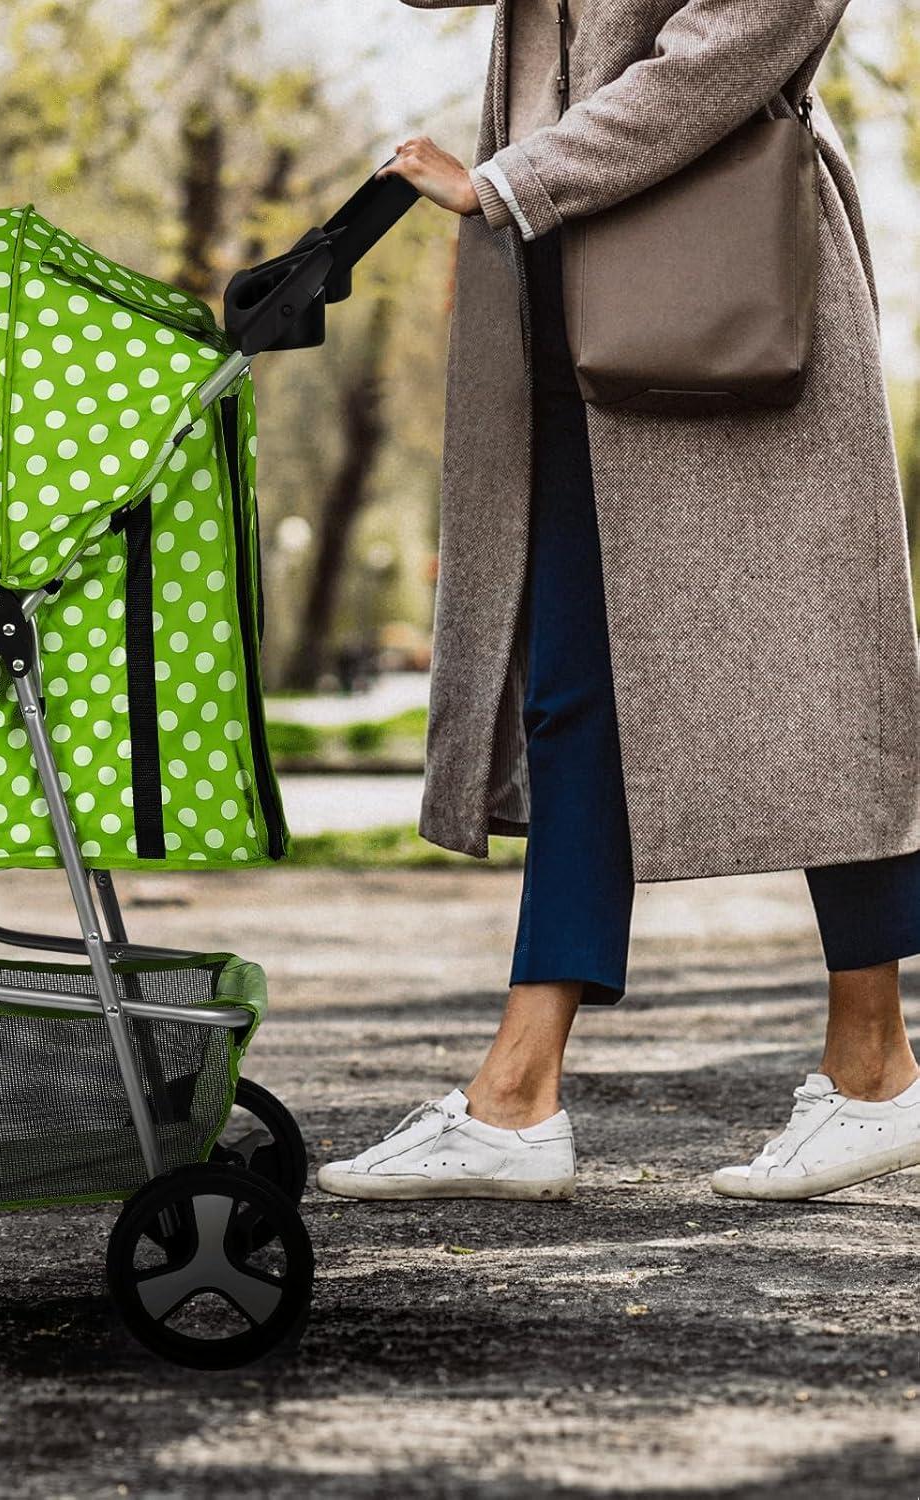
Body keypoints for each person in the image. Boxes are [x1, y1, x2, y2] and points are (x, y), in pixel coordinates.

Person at [318, 0, 920, 1204]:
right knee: (571, 687)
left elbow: (736, 44)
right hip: (559, 291)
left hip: (724, 289)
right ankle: (517, 1095)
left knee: (822, 674)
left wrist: (507, 183)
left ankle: (874, 1066)